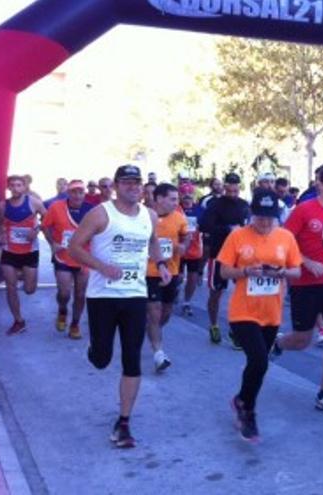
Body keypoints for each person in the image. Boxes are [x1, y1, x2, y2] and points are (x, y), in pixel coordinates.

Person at [68, 164, 171, 449]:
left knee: (132, 358)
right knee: (101, 358)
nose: (133, 186)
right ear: (115, 185)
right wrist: (101, 267)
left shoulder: (149, 215)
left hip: (135, 295)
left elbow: (152, 243)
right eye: (126, 182)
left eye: (136, 182)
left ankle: (124, 422)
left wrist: (160, 263)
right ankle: (96, 349)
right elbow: (74, 247)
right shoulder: (101, 214)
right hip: (103, 296)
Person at [218, 189, 302, 442]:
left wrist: (281, 273)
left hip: (271, 313)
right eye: (260, 217)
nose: (265, 223)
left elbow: (296, 271)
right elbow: (223, 272)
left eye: (270, 218)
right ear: (252, 215)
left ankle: (242, 399)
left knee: (258, 365)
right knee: (259, 361)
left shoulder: (285, 237)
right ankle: (249, 412)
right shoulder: (237, 237)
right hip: (243, 311)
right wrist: (246, 272)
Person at [274, 165, 323, 415]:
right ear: (319, 184)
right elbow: (283, 242)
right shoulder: (303, 210)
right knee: (302, 340)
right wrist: (307, 261)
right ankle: (277, 343)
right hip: (305, 284)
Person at [199, 173, 251, 345]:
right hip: (219, 254)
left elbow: (250, 227)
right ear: (225, 186)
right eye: (230, 184)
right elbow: (205, 225)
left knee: (242, 293)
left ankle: (236, 330)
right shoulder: (215, 204)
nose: (233, 187)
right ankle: (214, 325)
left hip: (240, 257)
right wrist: (228, 229)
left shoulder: (244, 205)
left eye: (236, 184)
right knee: (216, 293)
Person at [145, 184, 191, 372]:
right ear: (159, 199)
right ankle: (158, 354)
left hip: (171, 271)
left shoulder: (179, 218)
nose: (176, 202)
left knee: (165, 313)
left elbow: (187, 236)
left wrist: (183, 246)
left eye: (176, 199)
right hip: (148, 272)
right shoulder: (144, 216)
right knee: (154, 311)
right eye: (172, 199)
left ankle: (152, 331)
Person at [41, 179, 94, 339]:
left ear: (84, 193)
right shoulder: (57, 207)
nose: (77, 195)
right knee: (64, 293)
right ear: (68, 193)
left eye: (80, 192)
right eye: (73, 192)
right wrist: (53, 243)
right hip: (62, 256)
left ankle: (75, 324)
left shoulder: (92, 210)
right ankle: (62, 310)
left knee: (80, 294)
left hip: (83, 258)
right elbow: (45, 226)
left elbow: (100, 231)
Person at [0, 175, 46, 335]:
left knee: (29, 290)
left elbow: (49, 219)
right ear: (8, 187)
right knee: (10, 287)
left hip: (29, 252)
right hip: (9, 251)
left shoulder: (34, 202)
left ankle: (22, 275)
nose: (16, 188)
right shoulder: (2, 206)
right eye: (13, 185)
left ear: (24, 187)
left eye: (19, 185)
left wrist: (36, 230)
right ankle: (18, 321)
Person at [179, 184, 204, 317]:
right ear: (180, 194)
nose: (187, 196)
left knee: (192, 278)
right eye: (184, 193)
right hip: (179, 248)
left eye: (190, 194)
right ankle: (174, 291)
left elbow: (206, 225)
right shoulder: (175, 208)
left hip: (194, 250)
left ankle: (187, 302)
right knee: (178, 277)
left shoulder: (199, 210)